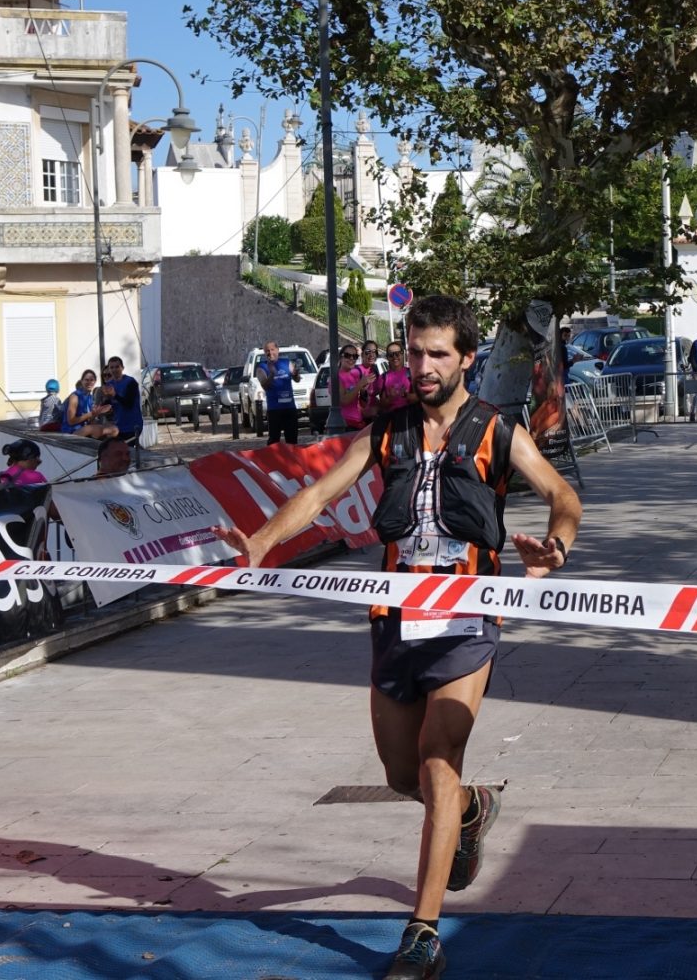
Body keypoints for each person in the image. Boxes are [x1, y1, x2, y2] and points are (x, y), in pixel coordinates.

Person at [211, 295, 581, 980]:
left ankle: (422, 933)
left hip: (467, 617)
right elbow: (319, 495)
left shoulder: (498, 430)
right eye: (414, 352)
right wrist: (262, 541)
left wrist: (554, 547)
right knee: (401, 774)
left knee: (438, 760)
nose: (423, 366)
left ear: (467, 358)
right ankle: (470, 809)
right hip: (395, 617)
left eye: (438, 353)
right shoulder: (387, 432)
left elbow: (565, 498)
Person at [257, 342, 301, 446]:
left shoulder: (286, 362)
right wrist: (272, 374)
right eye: (267, 351)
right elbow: (265, 386)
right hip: (274, 409)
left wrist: (296, 374)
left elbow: (297, 379)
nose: (270, 353)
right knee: (274, 440)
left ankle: (291, 456)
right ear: (264, 352)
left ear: (277, 350)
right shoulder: (262, 367)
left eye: (272, 349)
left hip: (289, 407)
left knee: (292, 439)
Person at [100, 357, 144, 447]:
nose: (114, 370)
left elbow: (129, 404)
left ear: (122, 368)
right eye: (112, 367)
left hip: (132, 425)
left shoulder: (131, 382)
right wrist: (102, 407)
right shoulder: (109, 384)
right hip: (118, 425)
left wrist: (114, 395)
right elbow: (109, 403)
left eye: (117, 367)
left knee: (126, 449)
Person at [63, 370, 118, 440]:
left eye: (92, 380)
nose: (89, 382)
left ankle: (106, 445)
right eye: (86, 380)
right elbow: (71, 421)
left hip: (83, 429)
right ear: (82, 381)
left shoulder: (89, 397)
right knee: (95, 429)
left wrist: (98, 412)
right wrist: (91, 414)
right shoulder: (75, 397)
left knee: (114, 429)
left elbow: (89, 420)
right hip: (71, 431)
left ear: (95, 382)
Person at [336, 343, 375, 431]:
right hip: (345, 424)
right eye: (347, 355)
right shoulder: (336, 377)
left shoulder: (355, 376)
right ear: (340, 358)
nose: (351, 358)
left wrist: (364, 392)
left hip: (358, 422)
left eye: (354, 356)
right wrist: (360, 385)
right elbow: (344, 400)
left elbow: (362, 404)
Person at [375, 341, 415, 415]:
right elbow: (382, 405)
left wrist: (407, 396)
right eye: (391, 355)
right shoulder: (383, 378)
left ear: (403, 354)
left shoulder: (412, 373)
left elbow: (420, 398)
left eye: (397, 353)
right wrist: (391, 398)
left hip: (411, 416)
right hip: (392, 417)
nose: (394, 357)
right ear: (387, 357)